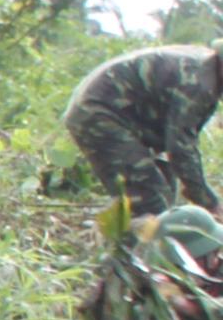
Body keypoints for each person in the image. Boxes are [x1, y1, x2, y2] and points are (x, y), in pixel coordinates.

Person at [64, 42, 223, 216]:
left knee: (167, 195)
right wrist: (209, 202)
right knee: (150, 200)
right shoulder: (197, 84)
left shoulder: (206, 67)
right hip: (100, 114)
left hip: (125, 118)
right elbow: (181, 148)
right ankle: (132, 240)